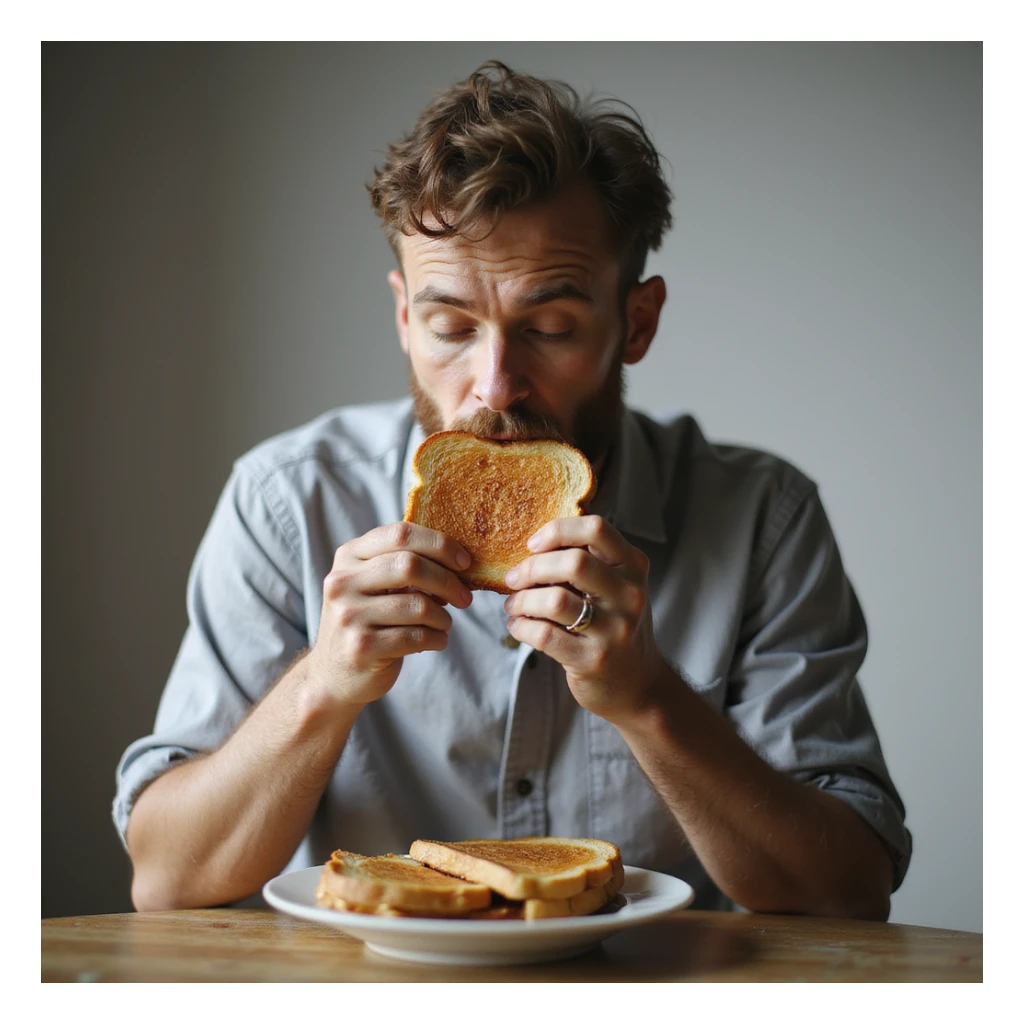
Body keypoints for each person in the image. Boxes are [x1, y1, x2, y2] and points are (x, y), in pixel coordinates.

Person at [115, 60, 911, 918]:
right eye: (451, 325)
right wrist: (323, 686)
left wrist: (650, 700)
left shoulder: (762, 518)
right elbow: (167, 880)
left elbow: (850, 894)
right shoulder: (286, 501)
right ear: (403, 317)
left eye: (551, 327)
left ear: (636, 321)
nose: (494, 385)